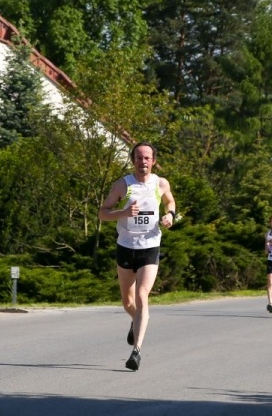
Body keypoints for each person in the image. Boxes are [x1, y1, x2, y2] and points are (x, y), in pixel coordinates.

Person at [98, 141, 177, 372]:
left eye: (147, 158)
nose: (143, 161)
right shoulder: (123, 184)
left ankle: (136, 351)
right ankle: (136, 320)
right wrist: (122, 213)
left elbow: (170, 201)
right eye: (139, 157)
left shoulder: (160, 183)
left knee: (142, 295)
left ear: (153, 161)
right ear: (133, 160)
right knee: (128, 301)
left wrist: (170, 215)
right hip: (126, 246)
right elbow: (102, 213)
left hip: (150, 246)